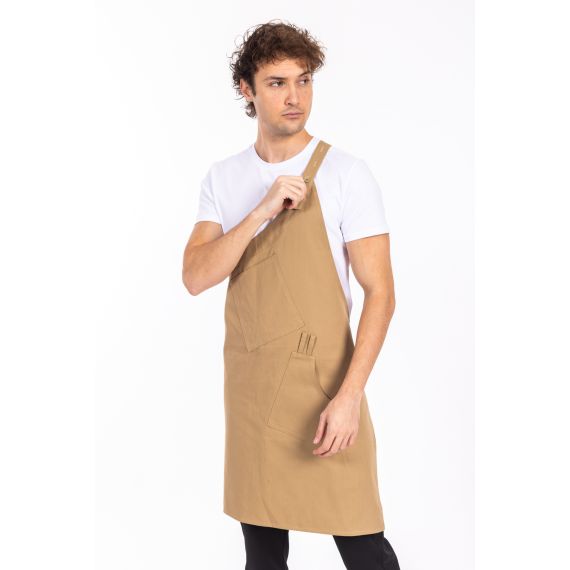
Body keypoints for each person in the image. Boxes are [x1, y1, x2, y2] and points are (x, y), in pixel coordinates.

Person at [182, 20, 400, 570]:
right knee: (262, 555)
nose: (295, 97)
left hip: (325, 390)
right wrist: (261, 211)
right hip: (253, 391)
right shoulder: (224, 178)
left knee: (364, 546)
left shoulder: (347, 174)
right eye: (277, 83)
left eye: (304, 81)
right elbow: (196, 276)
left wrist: (349, 398)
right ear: (247, 90)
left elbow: (381, 294)